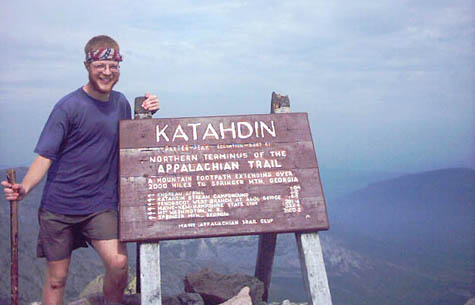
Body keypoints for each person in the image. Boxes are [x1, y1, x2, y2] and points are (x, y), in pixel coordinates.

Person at [1, 35, 159, 305]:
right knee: (56, 278)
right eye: (101, 66)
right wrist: (24, 188)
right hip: (59, 207)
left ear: (119, 68)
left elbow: (131, 140)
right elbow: (45, 156)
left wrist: (146, 114)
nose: (107, 72)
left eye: (113, 66)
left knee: (119, 264)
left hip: (100, 205)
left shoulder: (120, 103)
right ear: (87, 65)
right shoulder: (68, 107)